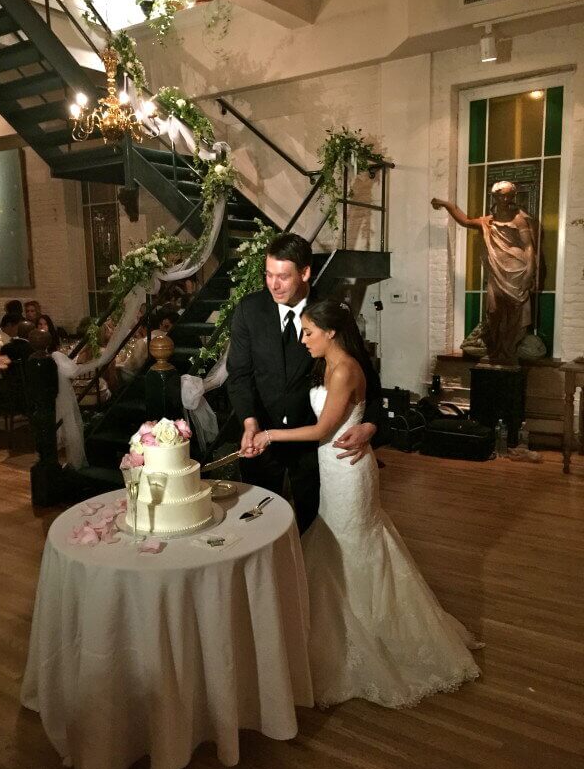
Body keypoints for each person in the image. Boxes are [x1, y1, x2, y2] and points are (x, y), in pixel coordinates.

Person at [252, 298, 481, 708]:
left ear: (331, 331)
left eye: (309, 332)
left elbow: (323, 428)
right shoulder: (328, 365)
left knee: (357, 547)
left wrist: (269, 436)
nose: (303, 339)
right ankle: (337, 626)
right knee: (337, 546)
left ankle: (373, 630)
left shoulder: (344, 370)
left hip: (347, 470)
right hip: (334, 469)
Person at [227, 232, 385, 534]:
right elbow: (239, 374)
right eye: (269, 275)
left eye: (283, 277)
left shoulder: (330, 313)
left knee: (317, 531)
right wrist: (249, 422)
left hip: (317, 448)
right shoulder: (249, 310)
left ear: (305, 272)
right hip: (261, 441)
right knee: (258, 530)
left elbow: (369, 381)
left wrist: (370, 426)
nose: (273, 285)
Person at [432, 181, 538, 365]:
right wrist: (446, 204)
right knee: (494, 310)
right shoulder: (487, 222)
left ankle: (508, 351)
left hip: (516, 270)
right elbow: (464, 220)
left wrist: (530, 271)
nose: (504, 199)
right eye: (500, 195)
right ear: (494, 197)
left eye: (508, 195)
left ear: (513, 197)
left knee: (515, 313)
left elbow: (529, 246)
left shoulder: (519, 220)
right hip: (496, 273)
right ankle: (497, 350)